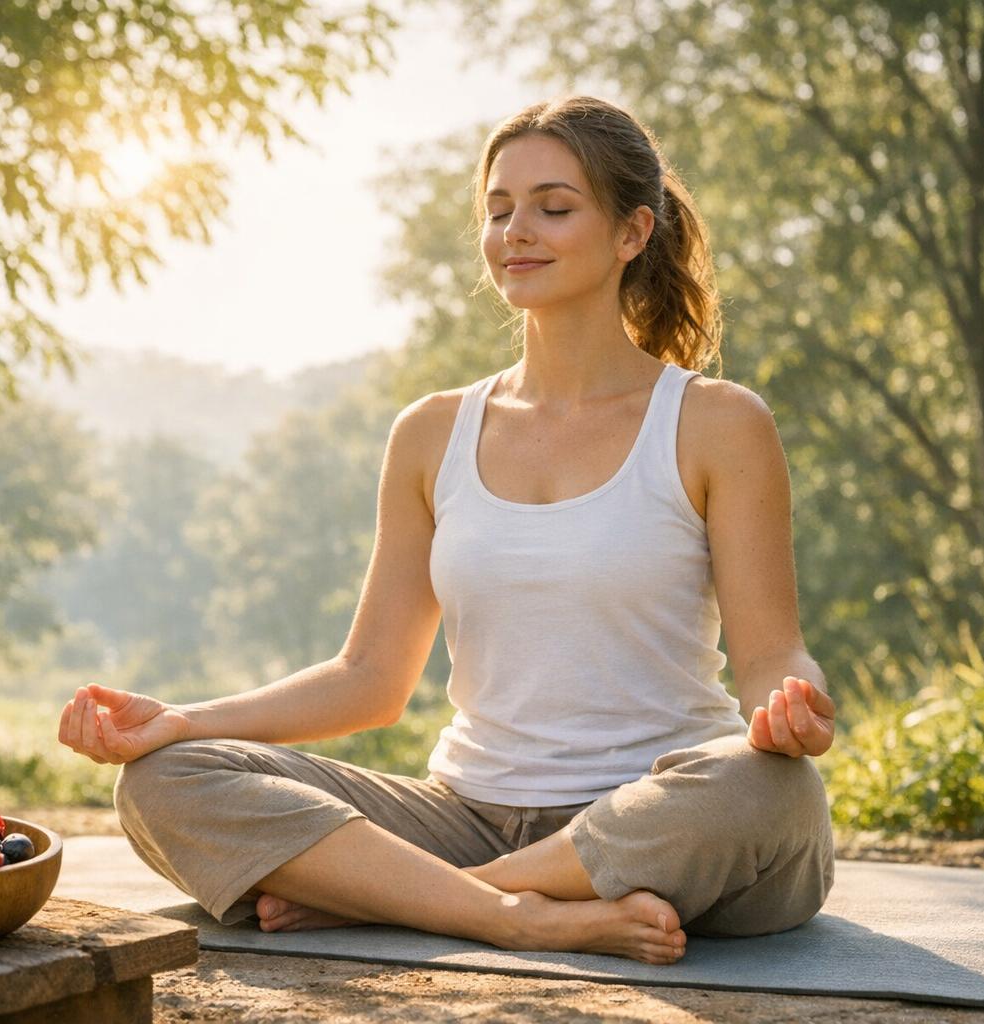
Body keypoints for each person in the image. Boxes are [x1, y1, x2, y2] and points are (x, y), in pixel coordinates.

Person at [57, 95, 837, 965]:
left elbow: (774, 654)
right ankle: (516, 915)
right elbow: (370, 679)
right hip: (464, 816)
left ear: (631, 233)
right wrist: (182, 721)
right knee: (166, 780)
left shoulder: (716, 422)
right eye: (498, 210)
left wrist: (793, 705)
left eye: (553, 206)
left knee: (772, 792)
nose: (517, 232)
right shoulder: (432, 433)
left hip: (661, 812)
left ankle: (410, 900)